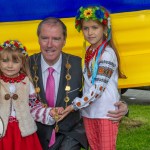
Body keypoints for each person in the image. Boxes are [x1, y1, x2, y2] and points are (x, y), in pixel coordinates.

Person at [29, 17, 128, 150]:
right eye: (45, 38)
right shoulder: (25, 65)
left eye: (56, 39)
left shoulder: (78, 64)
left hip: (70, 133)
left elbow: (98, 87)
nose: (49, 44)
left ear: (64, 41)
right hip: (35, 132)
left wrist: (123, 106)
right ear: (38, 39)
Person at [61, 6, 127, 150]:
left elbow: (98, 89)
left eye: (94, 27)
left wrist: (74, 105)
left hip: (106, 113)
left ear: (105, 29)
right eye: (85, 28)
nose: (90, 32)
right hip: (89, 112)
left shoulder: (108, 54)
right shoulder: (90, 51)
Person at [0, 40, 56, 150]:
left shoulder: (26, 83)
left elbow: (34, 107)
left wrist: (49, 113)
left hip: (24, 132)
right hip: (3, 133)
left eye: (15, 61)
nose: (10, 65)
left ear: (22, 64)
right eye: (5, 61)